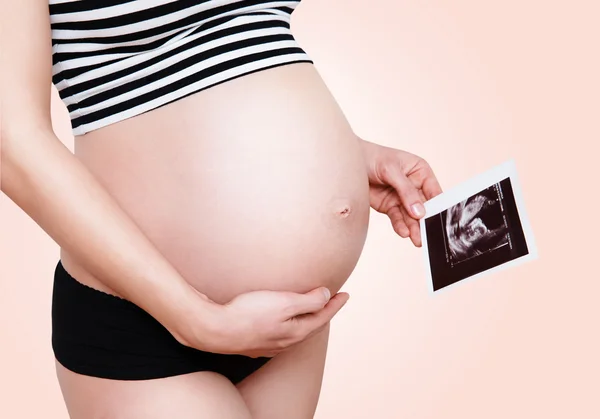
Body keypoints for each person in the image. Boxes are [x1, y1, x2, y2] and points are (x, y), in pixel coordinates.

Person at [0, 1, 442, 418]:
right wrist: (196, 321)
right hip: (149, 316)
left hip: (289, 324)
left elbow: (233, 40)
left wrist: (341, 153)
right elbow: (10, 140)